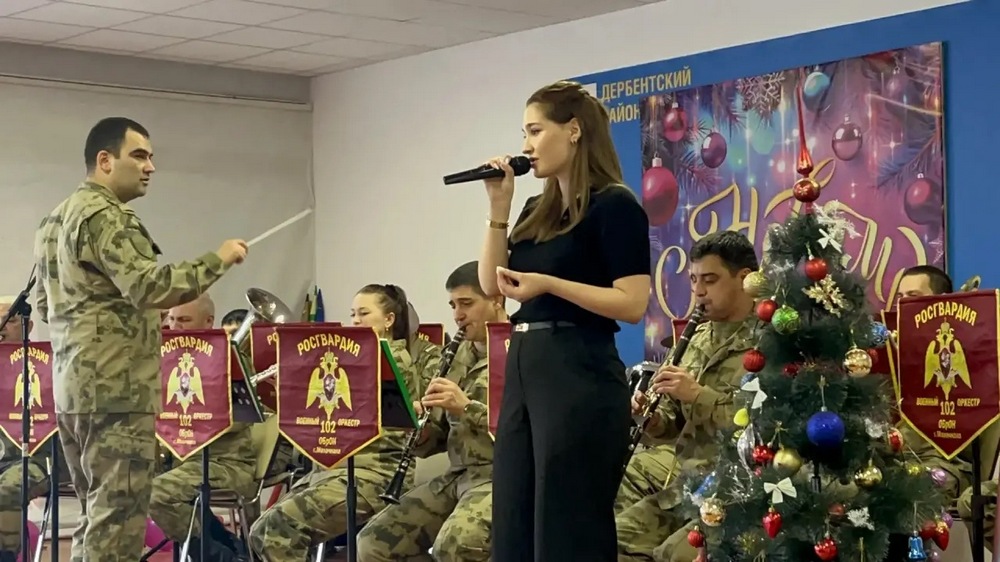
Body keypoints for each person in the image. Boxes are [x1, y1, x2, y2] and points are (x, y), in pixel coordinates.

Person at [33, 116, 248, 562]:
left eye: (151, 157)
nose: (150, 167)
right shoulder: (107, 216)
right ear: (105, 160)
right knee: (118, 527)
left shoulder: (54, 221)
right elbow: (152, 287)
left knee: (96, 518)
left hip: (73, 389)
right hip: (117, 391)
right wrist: (220, 259)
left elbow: (42, 304)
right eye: (139, 155)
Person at [478, 80, 651, 561]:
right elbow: (492, 285)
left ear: (573, 130)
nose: (526, 145)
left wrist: (550, 285)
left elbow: (632, 303)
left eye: (535, 131)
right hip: (526, 363)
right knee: (514, 514)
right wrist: (498, 207)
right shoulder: (537, 208)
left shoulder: (614, 205)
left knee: (566, 523)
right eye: (524, 133)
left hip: (579, 368)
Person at [248, 284, 441, 560]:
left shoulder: (392, 358)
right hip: (336, 468)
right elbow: (324, 415)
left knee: (280, 529)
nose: (356, 321)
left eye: (364, 313)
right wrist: (291, 392)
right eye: (353, 314)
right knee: (260, 531)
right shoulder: (353, 359)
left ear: (389, 319)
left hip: (376, 472)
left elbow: (354, 411)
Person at [616, 231, 759, 561]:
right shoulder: (695, 338)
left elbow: (764, 427)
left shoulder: (769, 341)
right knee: (612, 540)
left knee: (671, 554)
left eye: (710, 280)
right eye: (694, 280)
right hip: (689, 481)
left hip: (741, 489)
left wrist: (697, 395)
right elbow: (672, 422)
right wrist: (653, 419)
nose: (698, 291)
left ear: (745, 278)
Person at [357, 261, 506, 561]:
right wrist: (420, 430)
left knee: (453, 547)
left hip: (502, 476)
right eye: (453, 305)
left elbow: (530, 430)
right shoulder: (455, 353)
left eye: (466, 303)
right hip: (458, 475)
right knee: (374, 542)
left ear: (496, 299)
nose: (457, 315)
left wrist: (467, 407)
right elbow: (439, 435)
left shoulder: (519, 348)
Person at [149, 294, 255, 561]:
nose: (174, 327)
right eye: (171, 319)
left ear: (209, 321)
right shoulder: (162, 357)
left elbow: (243, 417)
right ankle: (227, 548)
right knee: (127, 483)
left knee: (156, 494)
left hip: (226, 463)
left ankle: (219, 557)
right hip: (178, 460)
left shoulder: (231, 358)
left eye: (184, 320)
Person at [894, 266, 987, 548]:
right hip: (896, 458)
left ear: (940, 302)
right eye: (900, 298)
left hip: (948, 464)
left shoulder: (976, 350)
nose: (903, 305)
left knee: (915, 489)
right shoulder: (889, 348)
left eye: (913, 297)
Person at [0, 297, 50, 562]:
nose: (1, 329)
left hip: (40, 457)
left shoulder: (47, 363)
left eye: (7, 321)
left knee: (7, 489)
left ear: (27, 325)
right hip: (3, 456)